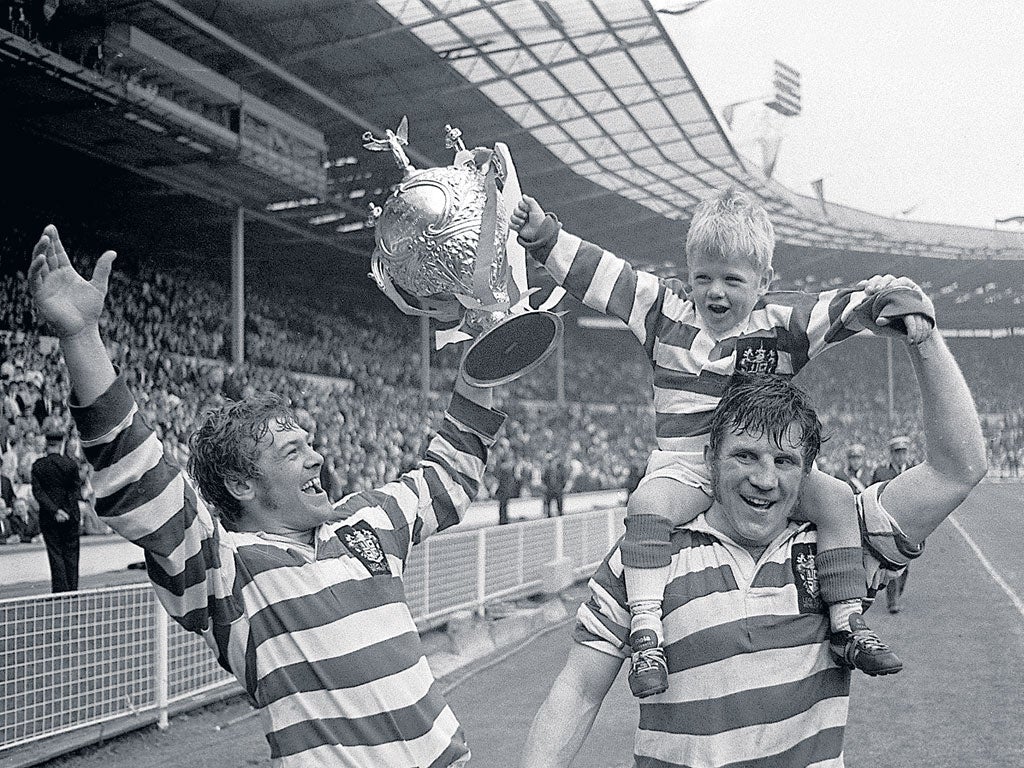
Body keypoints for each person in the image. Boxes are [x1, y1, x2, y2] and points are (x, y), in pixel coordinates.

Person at [29, 224, 507, 767]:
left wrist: (483, 350)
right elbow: (144, 478)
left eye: (310, 443)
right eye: (291, 451)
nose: (317, 457)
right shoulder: (225, 570)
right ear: (241, 484)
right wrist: (80, 338)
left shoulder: (369, 519)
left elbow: (448, 476)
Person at [512, 189, 934, 697]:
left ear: (764, 283)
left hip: (764, 472)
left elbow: (842, 308)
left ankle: (846, 622)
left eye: (733, 279)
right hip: (687, 469)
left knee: (837, 499)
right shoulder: (664, 310)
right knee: (647, 502)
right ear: (686, 274)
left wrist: (896, 304)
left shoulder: (782, 323)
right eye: (702, 277)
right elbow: (603, 275)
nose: (715, 292)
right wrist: (545, 237)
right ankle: (647, 634)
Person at [519, 328, 986, 768]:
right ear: (709, 458)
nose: (764, 479)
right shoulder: (648, 553)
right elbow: (579, 691)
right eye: (746, 455)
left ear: (806, 476)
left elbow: (956, 470)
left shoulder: (836, 542)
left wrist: (924, 339)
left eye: (784, 461)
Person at [31, 425, 82, 592]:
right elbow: (74, 491)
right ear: (61, 444)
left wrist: (54, 510)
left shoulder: (38, 466)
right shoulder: (70, 465)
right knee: (71, 552)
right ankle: (72, 589)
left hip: (49, 516)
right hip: (70, 516)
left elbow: (38, 493)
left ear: (47, 444)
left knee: (55, 553)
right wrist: (65, 510)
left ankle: (60, 590)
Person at [873, 434, 916, 613]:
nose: (900, 456)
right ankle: (893, 601)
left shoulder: (915, 471)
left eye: (903, 452)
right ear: (891, 454)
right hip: (887, 523)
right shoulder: (881, 473)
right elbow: (872, 496)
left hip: (910, 524)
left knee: (905, 564)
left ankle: (897, 592)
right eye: (897, 453)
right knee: (891, 562)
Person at [494, 451, 521, 525]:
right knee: (504, 504)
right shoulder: (509, 466)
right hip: (507, 487)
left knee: (502, 504)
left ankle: (503, 519)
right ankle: (504, 519)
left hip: (503, 487)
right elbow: (516, 477)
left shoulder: (502, 466)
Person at [541, 451, 569, 517]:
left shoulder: (560, 470)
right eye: (552, 461)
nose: (554, 463)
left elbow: (563, 479)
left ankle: (560, 513)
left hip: (558, 489)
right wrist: (546, 486)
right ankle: (548, 514)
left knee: (559, 503)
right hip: (550, 489)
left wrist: (561, 487)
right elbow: (544, 479)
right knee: (548, 503)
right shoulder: (547, 470)